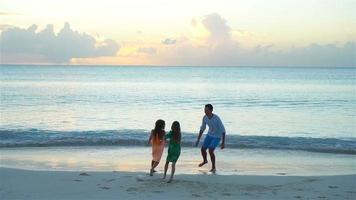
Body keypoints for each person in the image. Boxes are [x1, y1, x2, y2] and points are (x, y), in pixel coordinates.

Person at [195, 104, 226, 172]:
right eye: (204, 110)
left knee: (211, 150)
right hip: (209, 135)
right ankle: (205, 160)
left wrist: (223, 143)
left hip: (217, 136)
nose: (205, 111)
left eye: (207, 110)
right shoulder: (205, 117)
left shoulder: (216, 118)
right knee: (203, 149)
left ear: (211, 110)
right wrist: (198, 139)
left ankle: (213, 167)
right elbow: (202, 128)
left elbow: (223, 131)